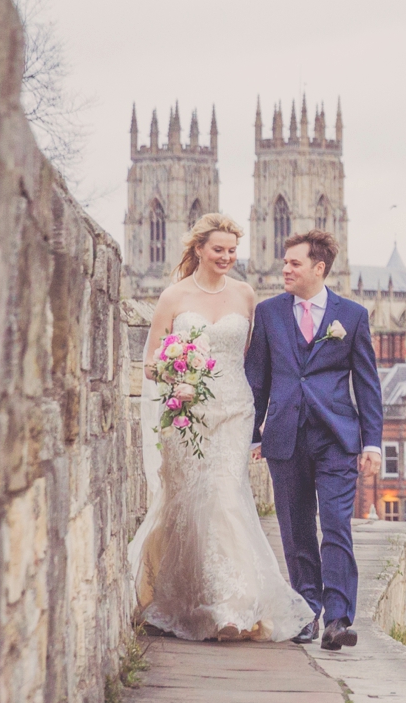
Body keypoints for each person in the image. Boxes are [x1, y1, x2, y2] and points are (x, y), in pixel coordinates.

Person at [128, 215, 315, 643]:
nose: (227, 257)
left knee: (227, 496)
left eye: (233, 250)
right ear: (198, 250)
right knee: (190, 504)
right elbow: (151, 362)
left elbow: (254, 358)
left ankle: (233, 607)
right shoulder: (173, 297)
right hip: (188, 413)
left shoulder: (246, 295)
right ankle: (183, 597)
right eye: (219, 250)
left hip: (234, 409)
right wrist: (178, 371)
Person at [245, 229, 385, 651]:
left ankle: (338, 619)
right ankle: (307, 612)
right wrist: (252, 434)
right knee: (296, 529)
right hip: (285, 438)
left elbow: (368, 384)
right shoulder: (269, 314)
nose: (284, 269)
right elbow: (257, 380)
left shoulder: (353, 316)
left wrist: (372, 443)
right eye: (285, 263)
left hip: (336, 437)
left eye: (294, 263)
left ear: (318, 268)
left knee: (337, 526)